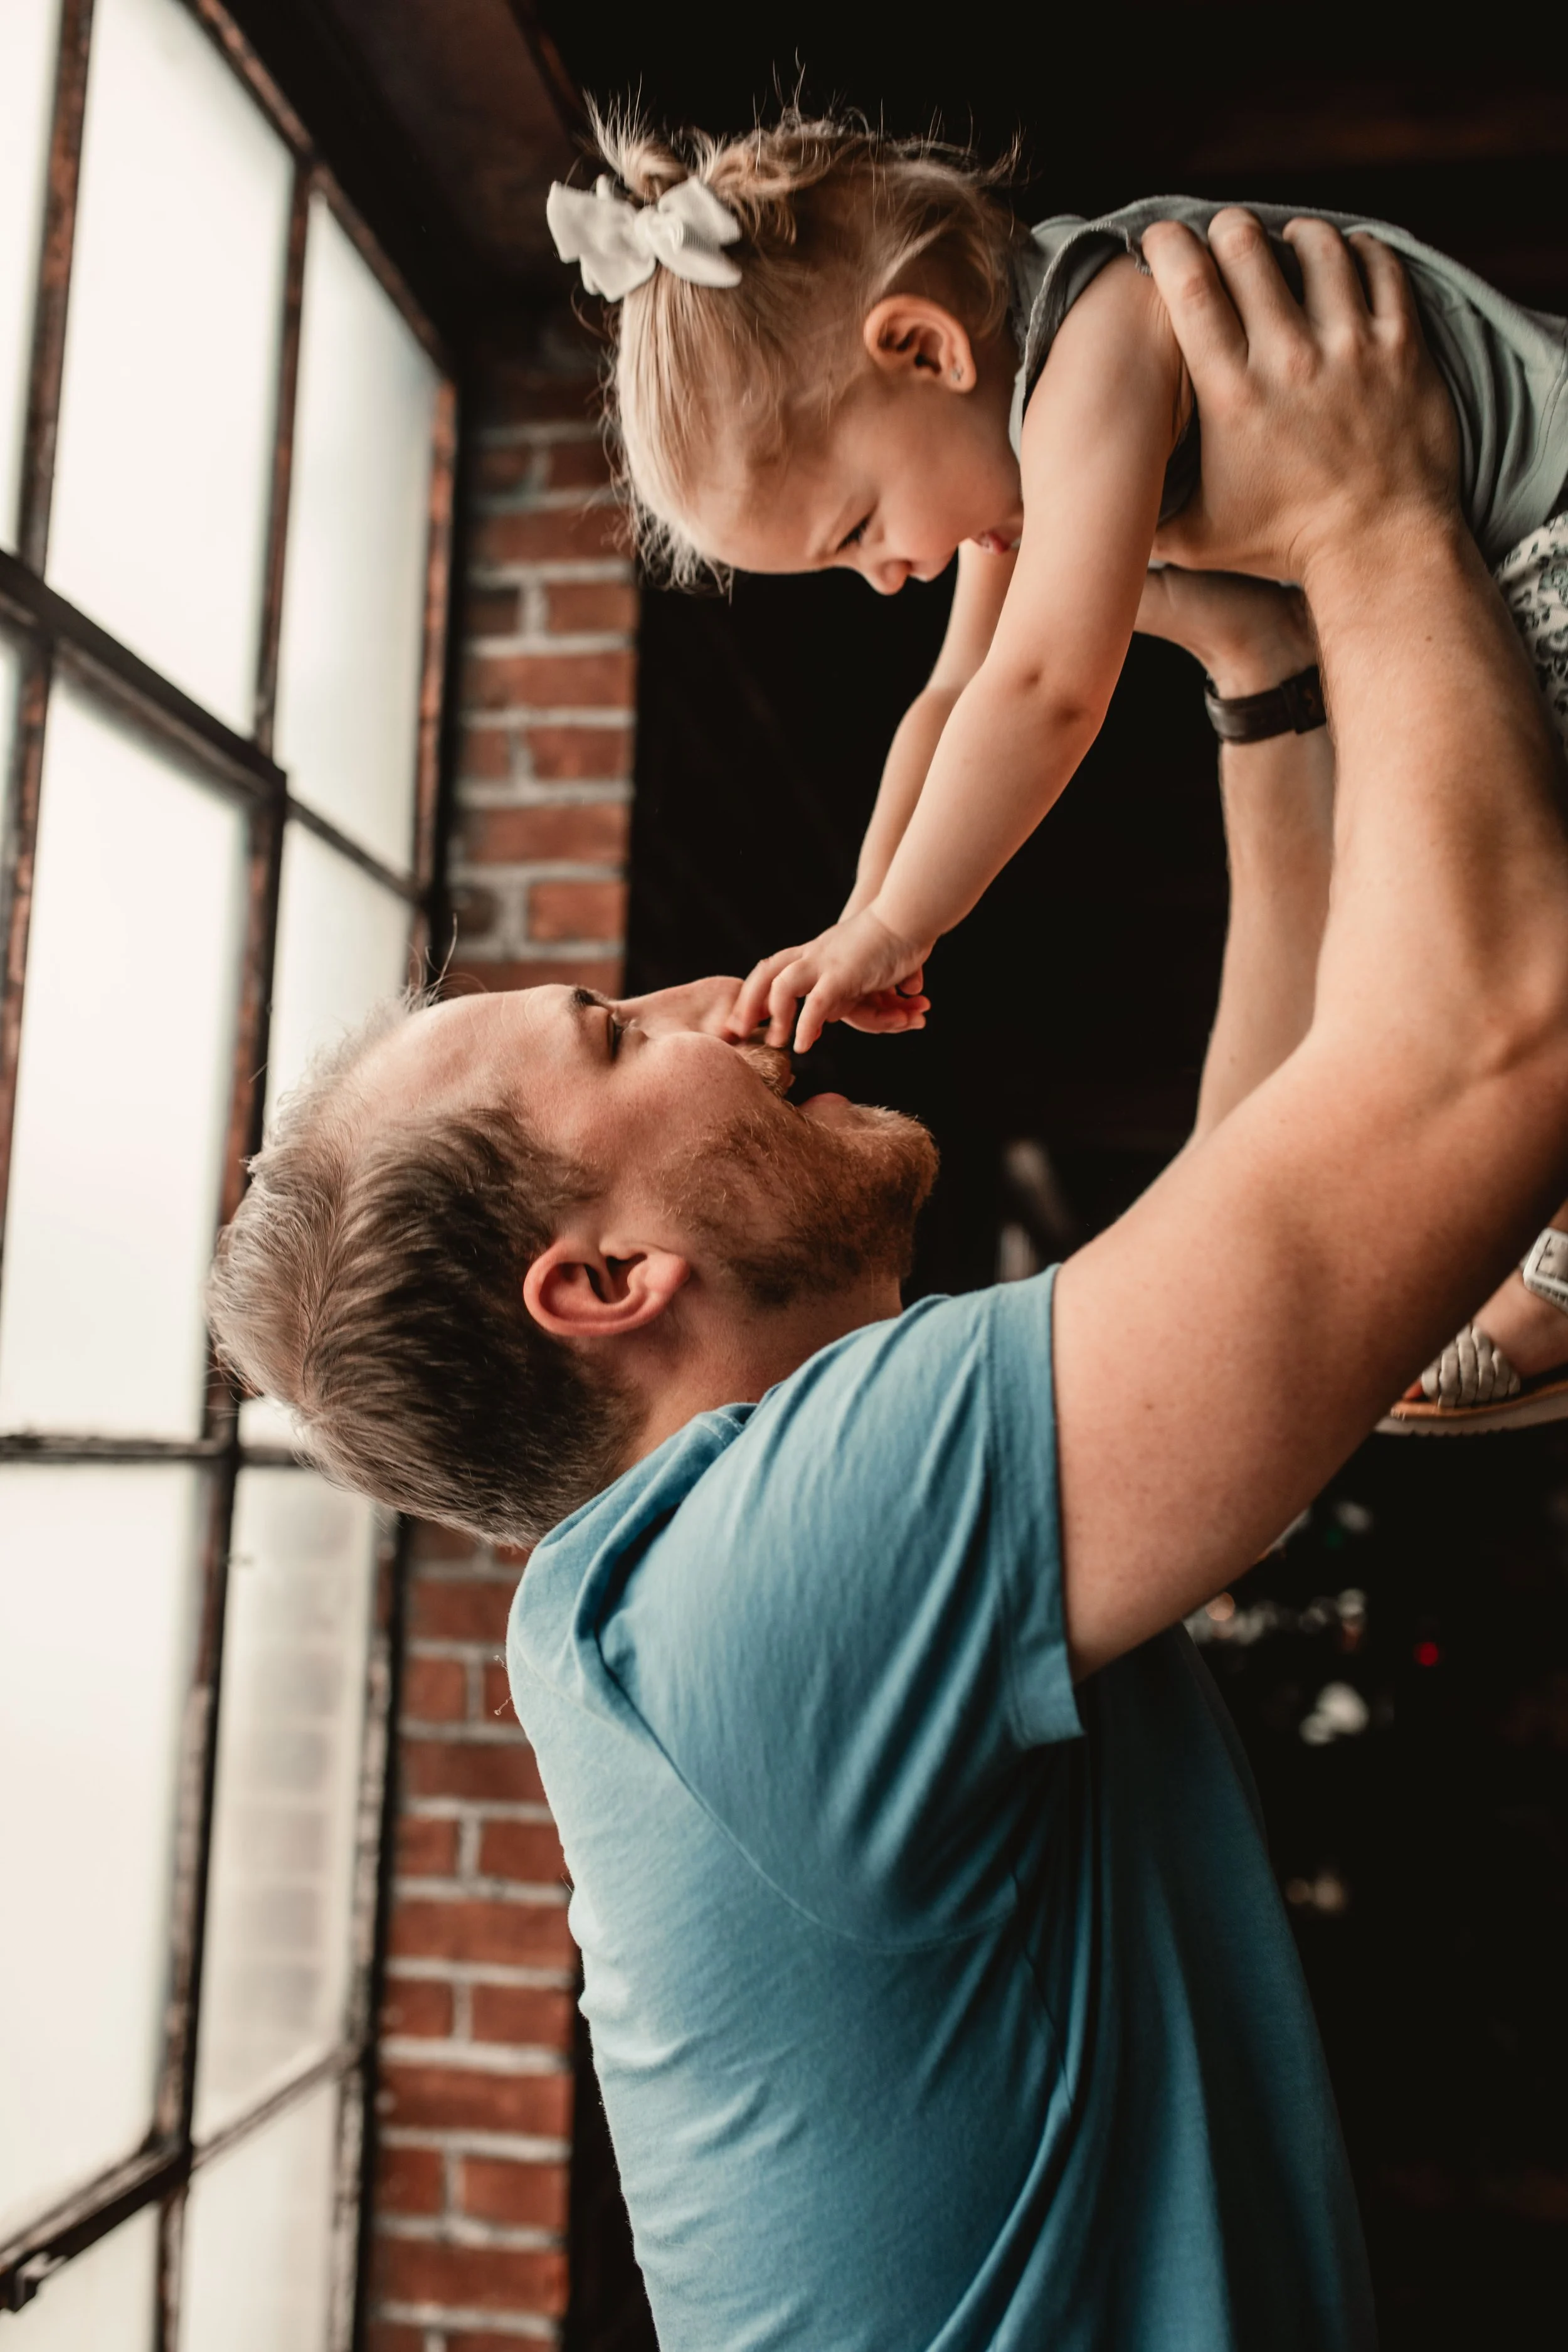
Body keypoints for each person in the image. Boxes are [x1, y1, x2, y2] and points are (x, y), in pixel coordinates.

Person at [207, 220, 1568, 2347]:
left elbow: (1264, 1212)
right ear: (605, 1281)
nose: (703, 1000)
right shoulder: (746, 1586)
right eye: (611, 1034)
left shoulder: (721, 1578)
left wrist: (1273, 674)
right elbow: (1485, 1049)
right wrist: (1381, 505)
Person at [547, 115, 1568, 1428]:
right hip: (1490, 570)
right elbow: (948, 700)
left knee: (1483, 900)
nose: (888, 575)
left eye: (859, 526)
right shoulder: (1009, 446)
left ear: (922, 347)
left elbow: (1043, 687)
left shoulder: (1100, 345)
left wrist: (906, 919)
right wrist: (856, 924)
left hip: (1548, 536)